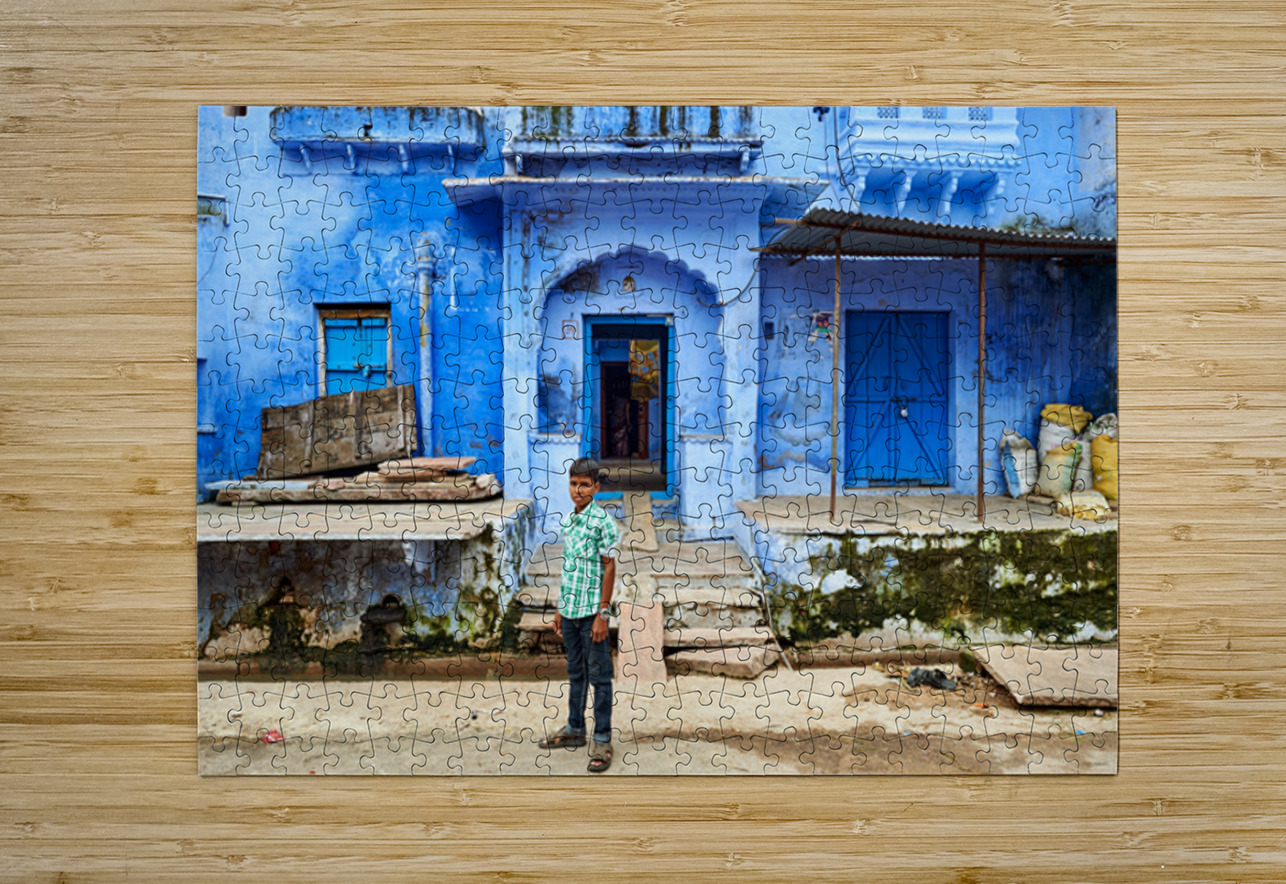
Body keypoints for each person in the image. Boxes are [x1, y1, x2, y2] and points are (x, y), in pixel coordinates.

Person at [538, 457, 621, 773]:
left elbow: (609, 566)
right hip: (570, 611)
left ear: (596, 487)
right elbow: (569, 568)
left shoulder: (603, 522)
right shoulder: (570, 521)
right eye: (574, 484)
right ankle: (575, 729)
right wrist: (560, 609)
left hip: (591, 612)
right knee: (576, 674)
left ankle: (602, 738)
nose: (578, 490)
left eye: (585, 484)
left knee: (600, 677)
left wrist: (603, 614)